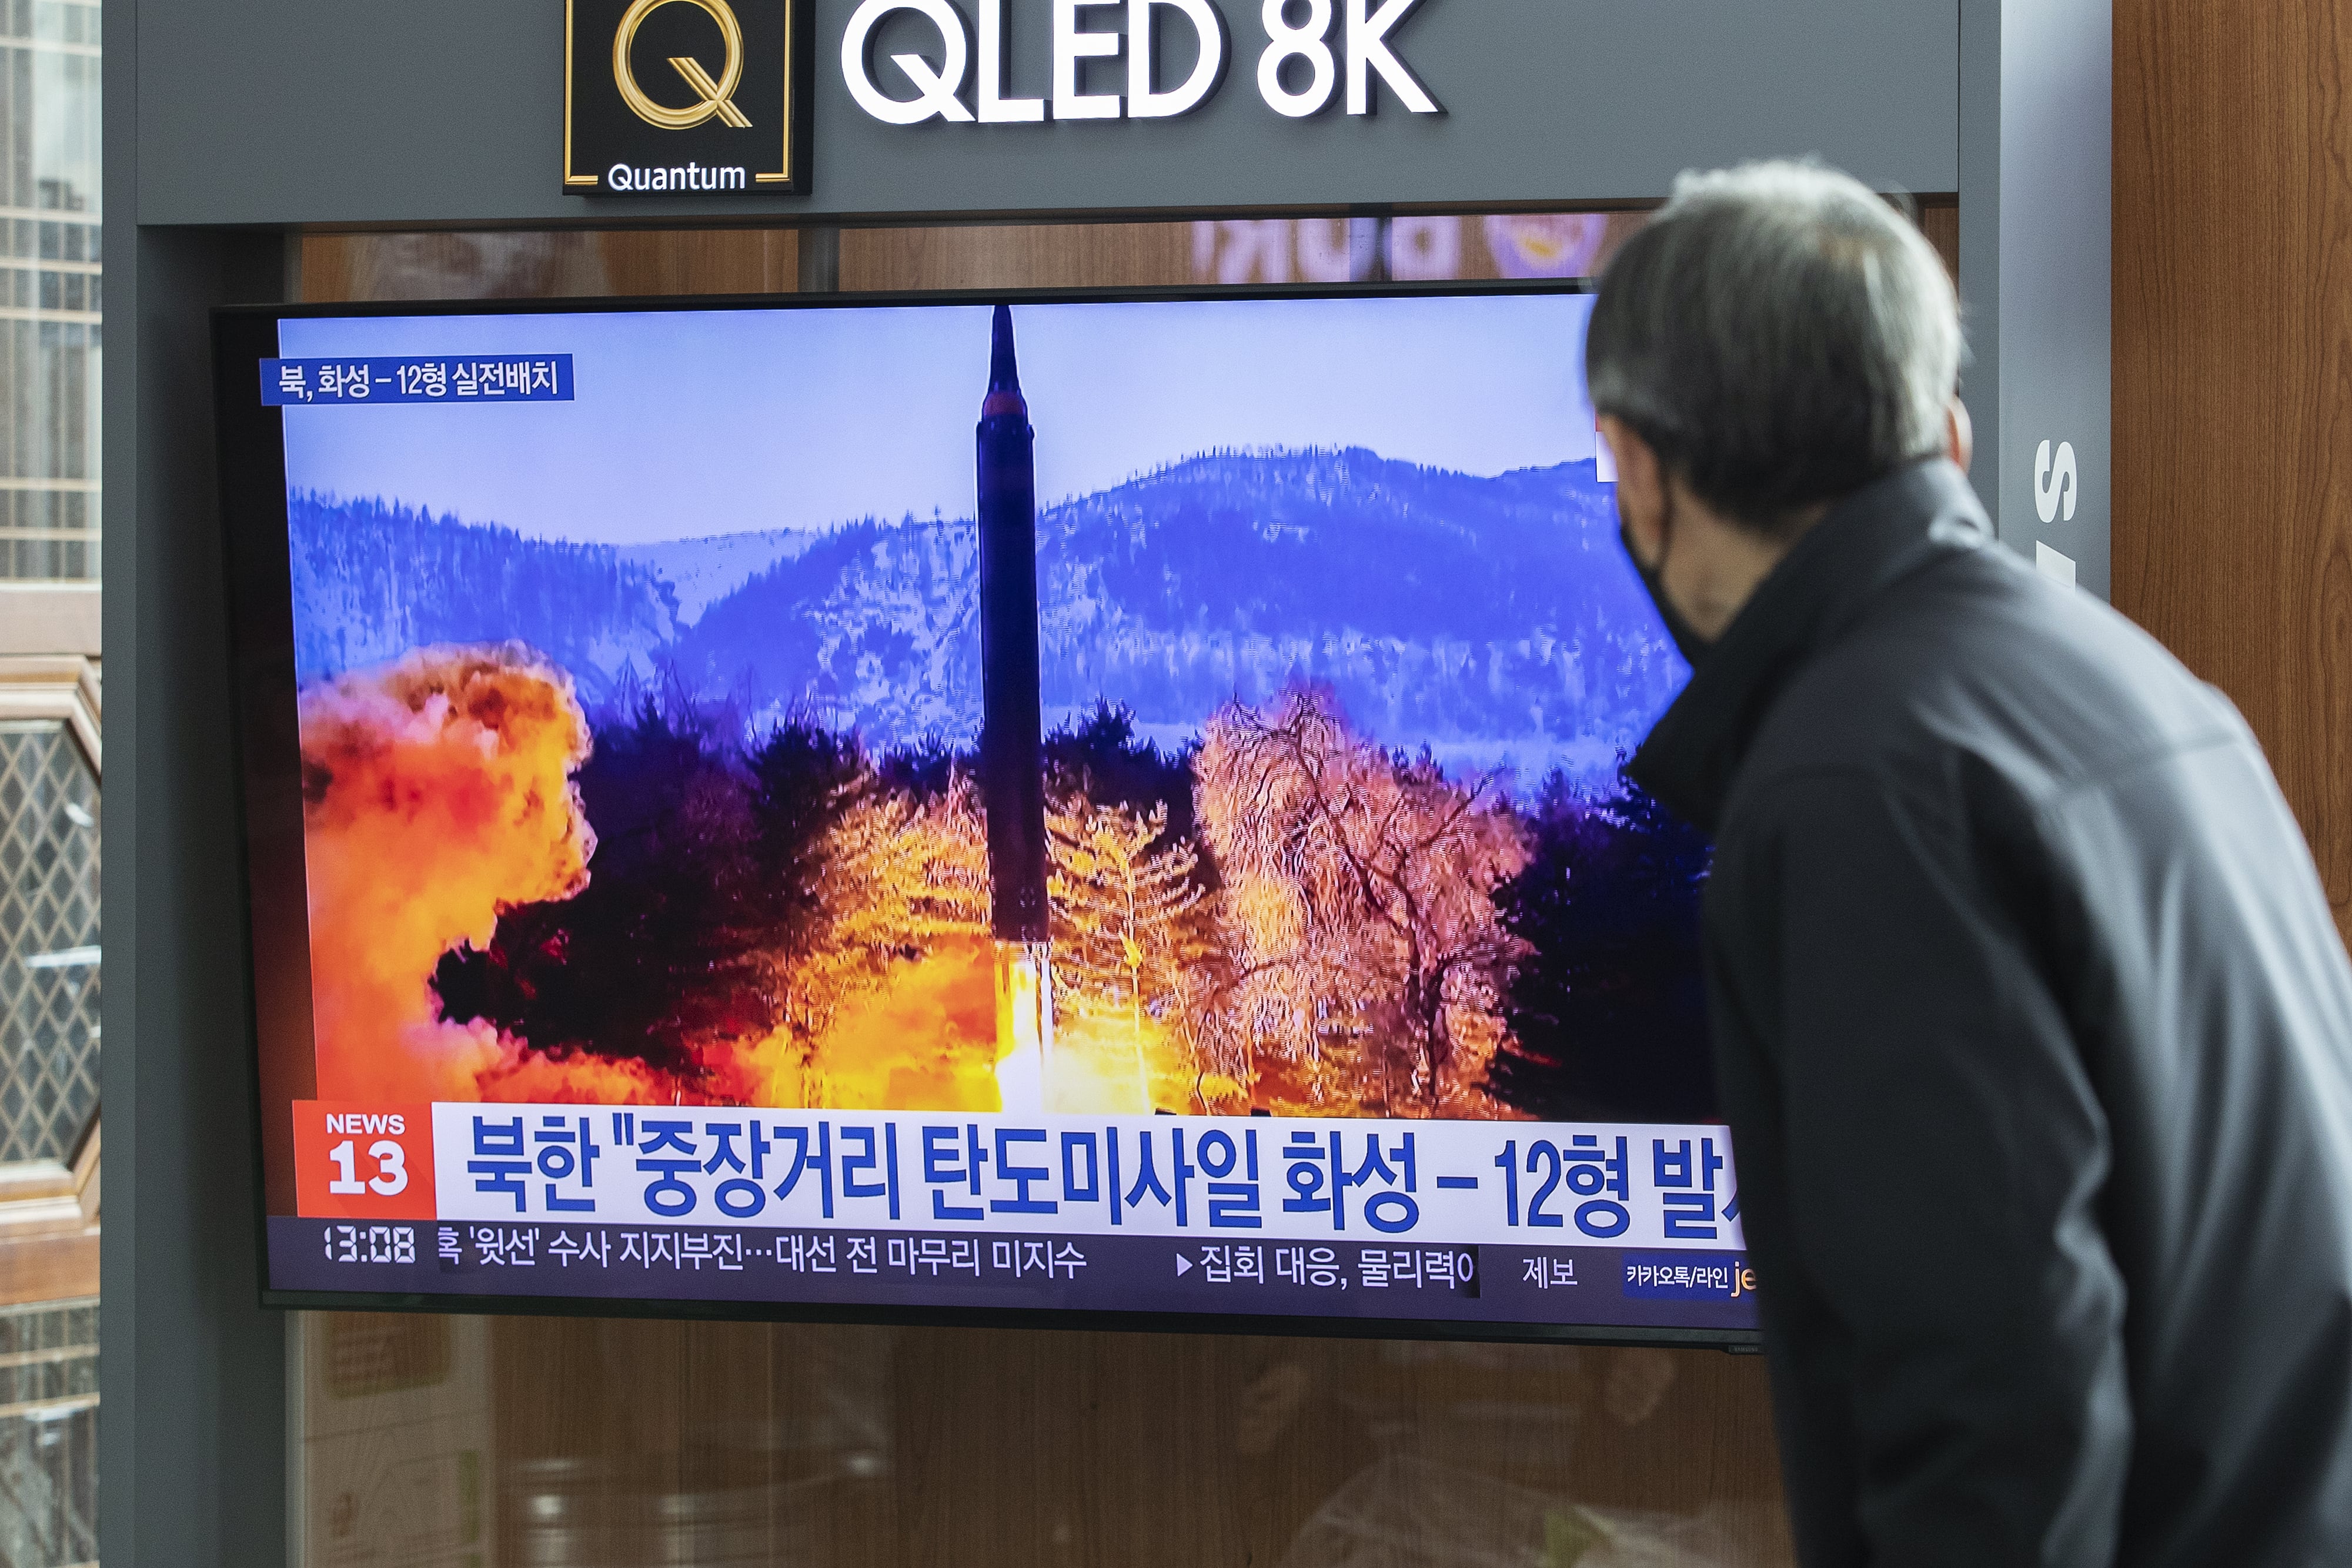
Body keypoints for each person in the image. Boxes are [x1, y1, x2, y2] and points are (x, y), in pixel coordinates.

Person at [1589, 160, 2352, 1567]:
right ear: (1938, 429)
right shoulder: (2132, 684)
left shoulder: (1857, 781)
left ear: (1637, 467)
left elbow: (1994, 1411)